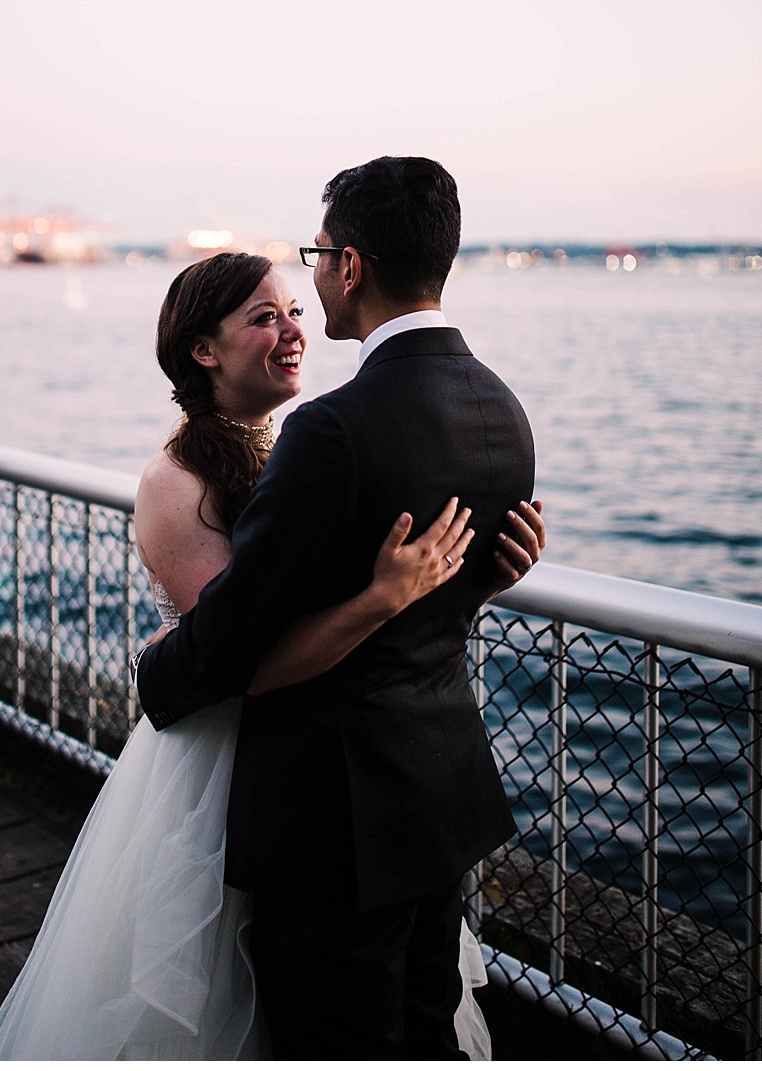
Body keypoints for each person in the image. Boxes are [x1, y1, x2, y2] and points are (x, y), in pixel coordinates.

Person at [0, 243, 543, 1060]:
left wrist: (470, 582)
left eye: (292, 313)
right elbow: (238, 666)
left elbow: (370, 610)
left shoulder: (304, 448)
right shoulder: (176, 482)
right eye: (262, 318)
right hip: (231, 772)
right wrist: (384, 596)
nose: (291, 332)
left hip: (342, 775)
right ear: (203, 350)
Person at [135, 156, 541, 1060]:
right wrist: (478, 581)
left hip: (334, 817)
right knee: (421, 1033)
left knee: (331, 1037)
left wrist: (155, 670)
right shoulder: (501, 410)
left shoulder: (332, 429)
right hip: (437, 792)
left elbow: (233, 636)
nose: (304, 299)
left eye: (316, 261)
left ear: (349, 266)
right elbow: (435, 584)